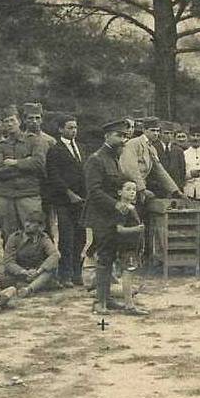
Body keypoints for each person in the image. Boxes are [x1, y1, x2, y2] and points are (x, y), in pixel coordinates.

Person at [83, 119, 134, 315]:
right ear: (107, 136)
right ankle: (99, 301)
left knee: (110, 256)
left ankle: (108, 298)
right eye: (119, 135)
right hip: (100, 216)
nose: (123, 139)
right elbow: (94, 191)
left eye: (125, 136)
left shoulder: (113, 158)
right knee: (104, 257)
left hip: (112, 216)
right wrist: (116, 204)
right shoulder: (96, 159)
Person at [0, 105, 47, 243]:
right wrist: (26, 163)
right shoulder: (0, 145)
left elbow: (39, 164)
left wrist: (15, 163)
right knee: (9, 234)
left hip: (28, 194)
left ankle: (33, 264)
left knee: (34, 231)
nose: (9, 124)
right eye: (5, 121)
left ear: (19, 122)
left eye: (12, 120)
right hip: (6, 196)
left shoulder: (34, 140)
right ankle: (10, 263)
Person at [45, 114, 87, 287]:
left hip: (81, 201)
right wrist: (69, 194)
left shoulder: (82, 148)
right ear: (61, 129)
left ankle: (77, 273)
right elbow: (54, 176)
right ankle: (65, 275)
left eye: (75, 127)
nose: (73, 131)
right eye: (70, 127)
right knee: (67, 238)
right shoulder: (55, 150)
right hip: (64, 201)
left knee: (81, 238)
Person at [2, 211, 60, 298]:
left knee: (50, 271)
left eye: (32, 223)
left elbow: (54, 255)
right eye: (26, 221)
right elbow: (8, 262)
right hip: (19, 273)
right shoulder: (14, 238)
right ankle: (36, 285)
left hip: (37, 273)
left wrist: (38, 271)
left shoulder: (43, 238)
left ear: (41, 227)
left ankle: (28, 289)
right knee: (1, 279)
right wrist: (24, 272)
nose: (27, 225)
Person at [112, 181, 148, 316]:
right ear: (120, 192)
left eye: (134, 189)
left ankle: (129, 302)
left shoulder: (132, 207)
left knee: (130, 273)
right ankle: (129, 305)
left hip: (133, 246)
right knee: (128, 273)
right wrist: (136, 229)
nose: (132, 192)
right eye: (128, 189)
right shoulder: (123, 209)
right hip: (127, 247)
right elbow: (119, 229)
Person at [158, 121, 187, 190]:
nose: (169, 136)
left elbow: (182, 172)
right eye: (166, 133)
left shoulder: (178, 151)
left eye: (171, 133)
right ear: (160, 134)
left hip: (176, 188)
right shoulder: (154, 149)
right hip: (159, 189)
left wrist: (180, 186)